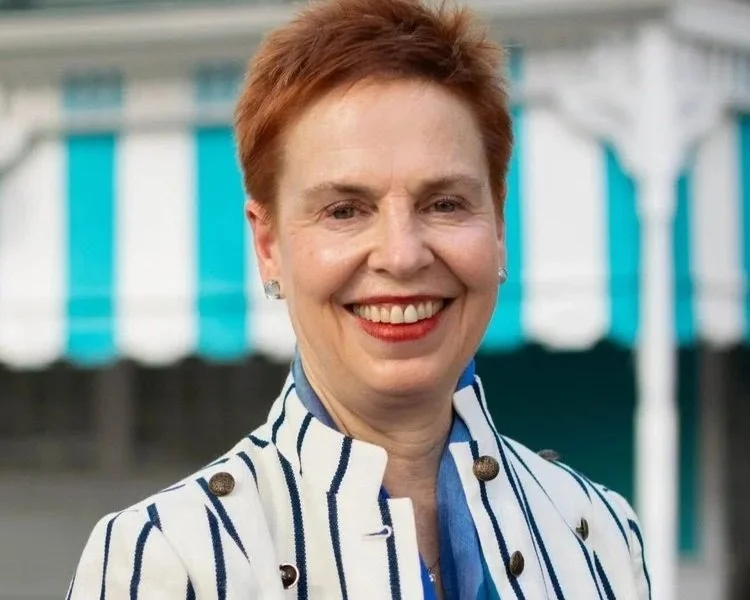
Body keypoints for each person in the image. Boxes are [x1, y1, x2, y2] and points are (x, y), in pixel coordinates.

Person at [67, 0, 651, 598]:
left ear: (498, 226)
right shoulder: (168, 559)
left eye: (445, 203)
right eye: (344, 210)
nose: (402, 255)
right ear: (268, 246)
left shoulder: (600, 534)